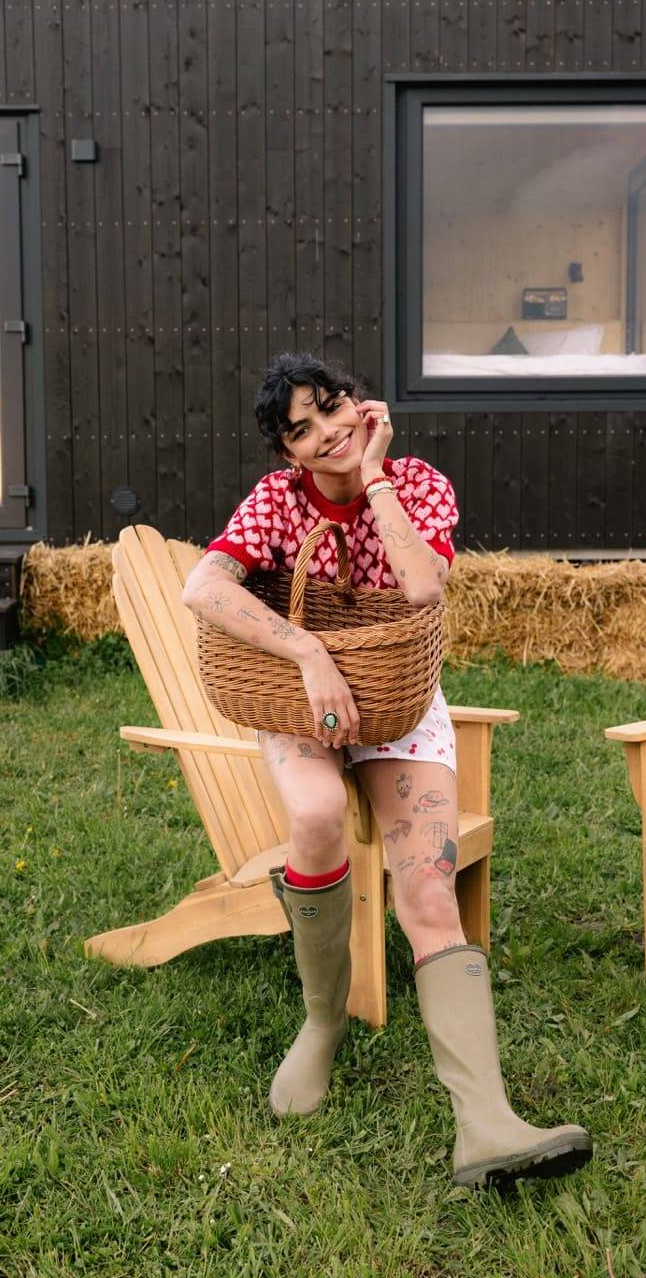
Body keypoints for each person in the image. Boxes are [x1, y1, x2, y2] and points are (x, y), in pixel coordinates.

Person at [181, 351, 592, 1188]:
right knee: (315, 815)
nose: (326, 433)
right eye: (301, 430)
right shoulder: (276, 501)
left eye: (332, 408)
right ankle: (321, 1024)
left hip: (399, 703)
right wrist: (308, 654)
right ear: (286, 452)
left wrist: (374, 478)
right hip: (298, 704)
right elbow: (201, 587)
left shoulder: (418, 484)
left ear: (360, 407)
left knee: (429, 890)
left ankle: (485, 1123)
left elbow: (420, 589)